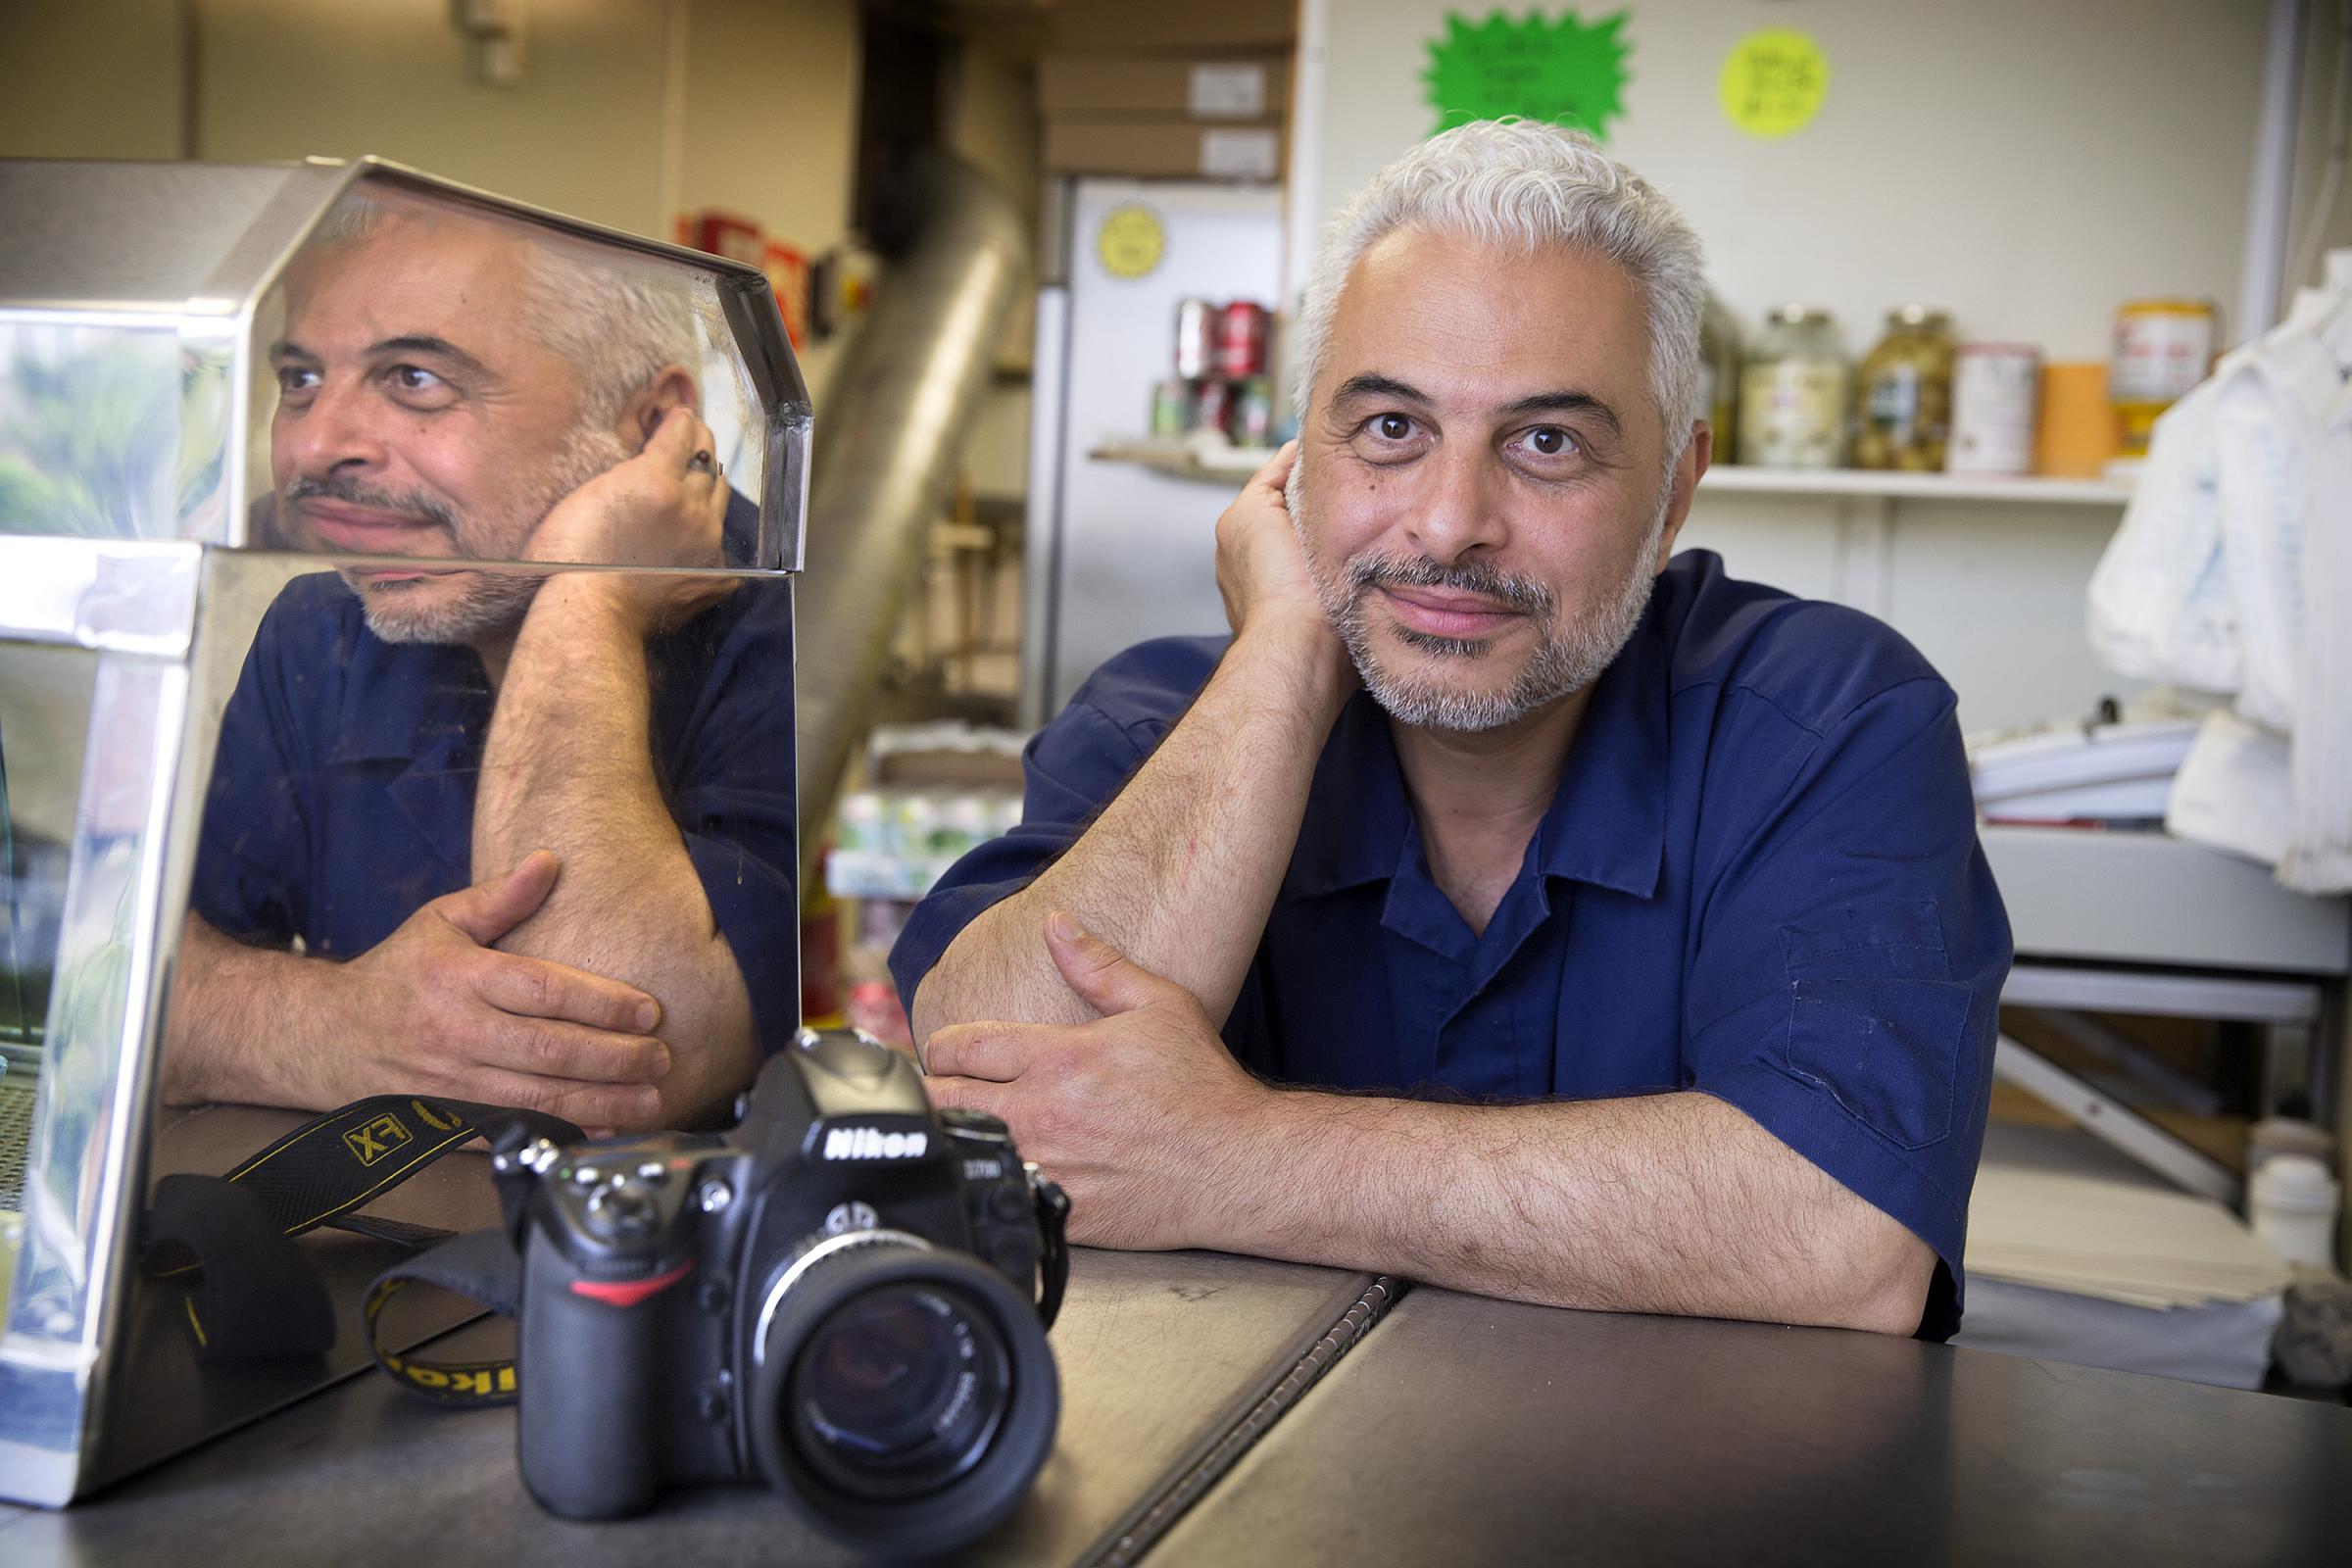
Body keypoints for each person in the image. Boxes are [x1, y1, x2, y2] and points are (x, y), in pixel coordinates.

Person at [892, 121, 2010, 1340]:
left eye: (1546, 443)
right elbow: (986, 1098)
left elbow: (1846, 1238)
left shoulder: (1828, 722)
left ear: (1674, 490)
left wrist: (1243, 1155)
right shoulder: (1165, 725)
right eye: (1388, 429)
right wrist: (1284, 655)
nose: (1447, 522)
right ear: (1295, 464)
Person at [161, 193, 797, 1131]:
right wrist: (337, 1027)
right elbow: (128, 986)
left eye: (413, 378)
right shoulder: (323, 629)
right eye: (300, 379)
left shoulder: (778, 634)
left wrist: (593, 594)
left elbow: (611, 1070)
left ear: (652, 424)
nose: (317, 448)